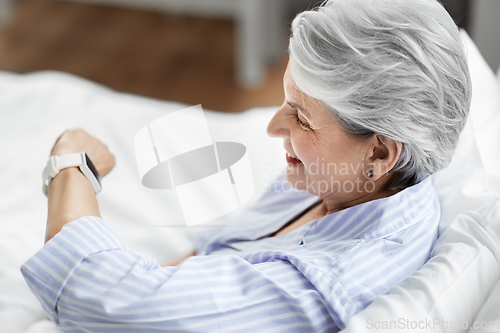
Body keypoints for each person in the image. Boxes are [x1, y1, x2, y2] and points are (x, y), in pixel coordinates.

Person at [21, 0, 471, 331]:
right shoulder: (352, 182)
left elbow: (93, 297)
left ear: (379, 153)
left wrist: (71, 164)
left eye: (302, 116)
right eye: (286, 100)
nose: (275, 126)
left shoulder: (318, 284)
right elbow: (218, 248)